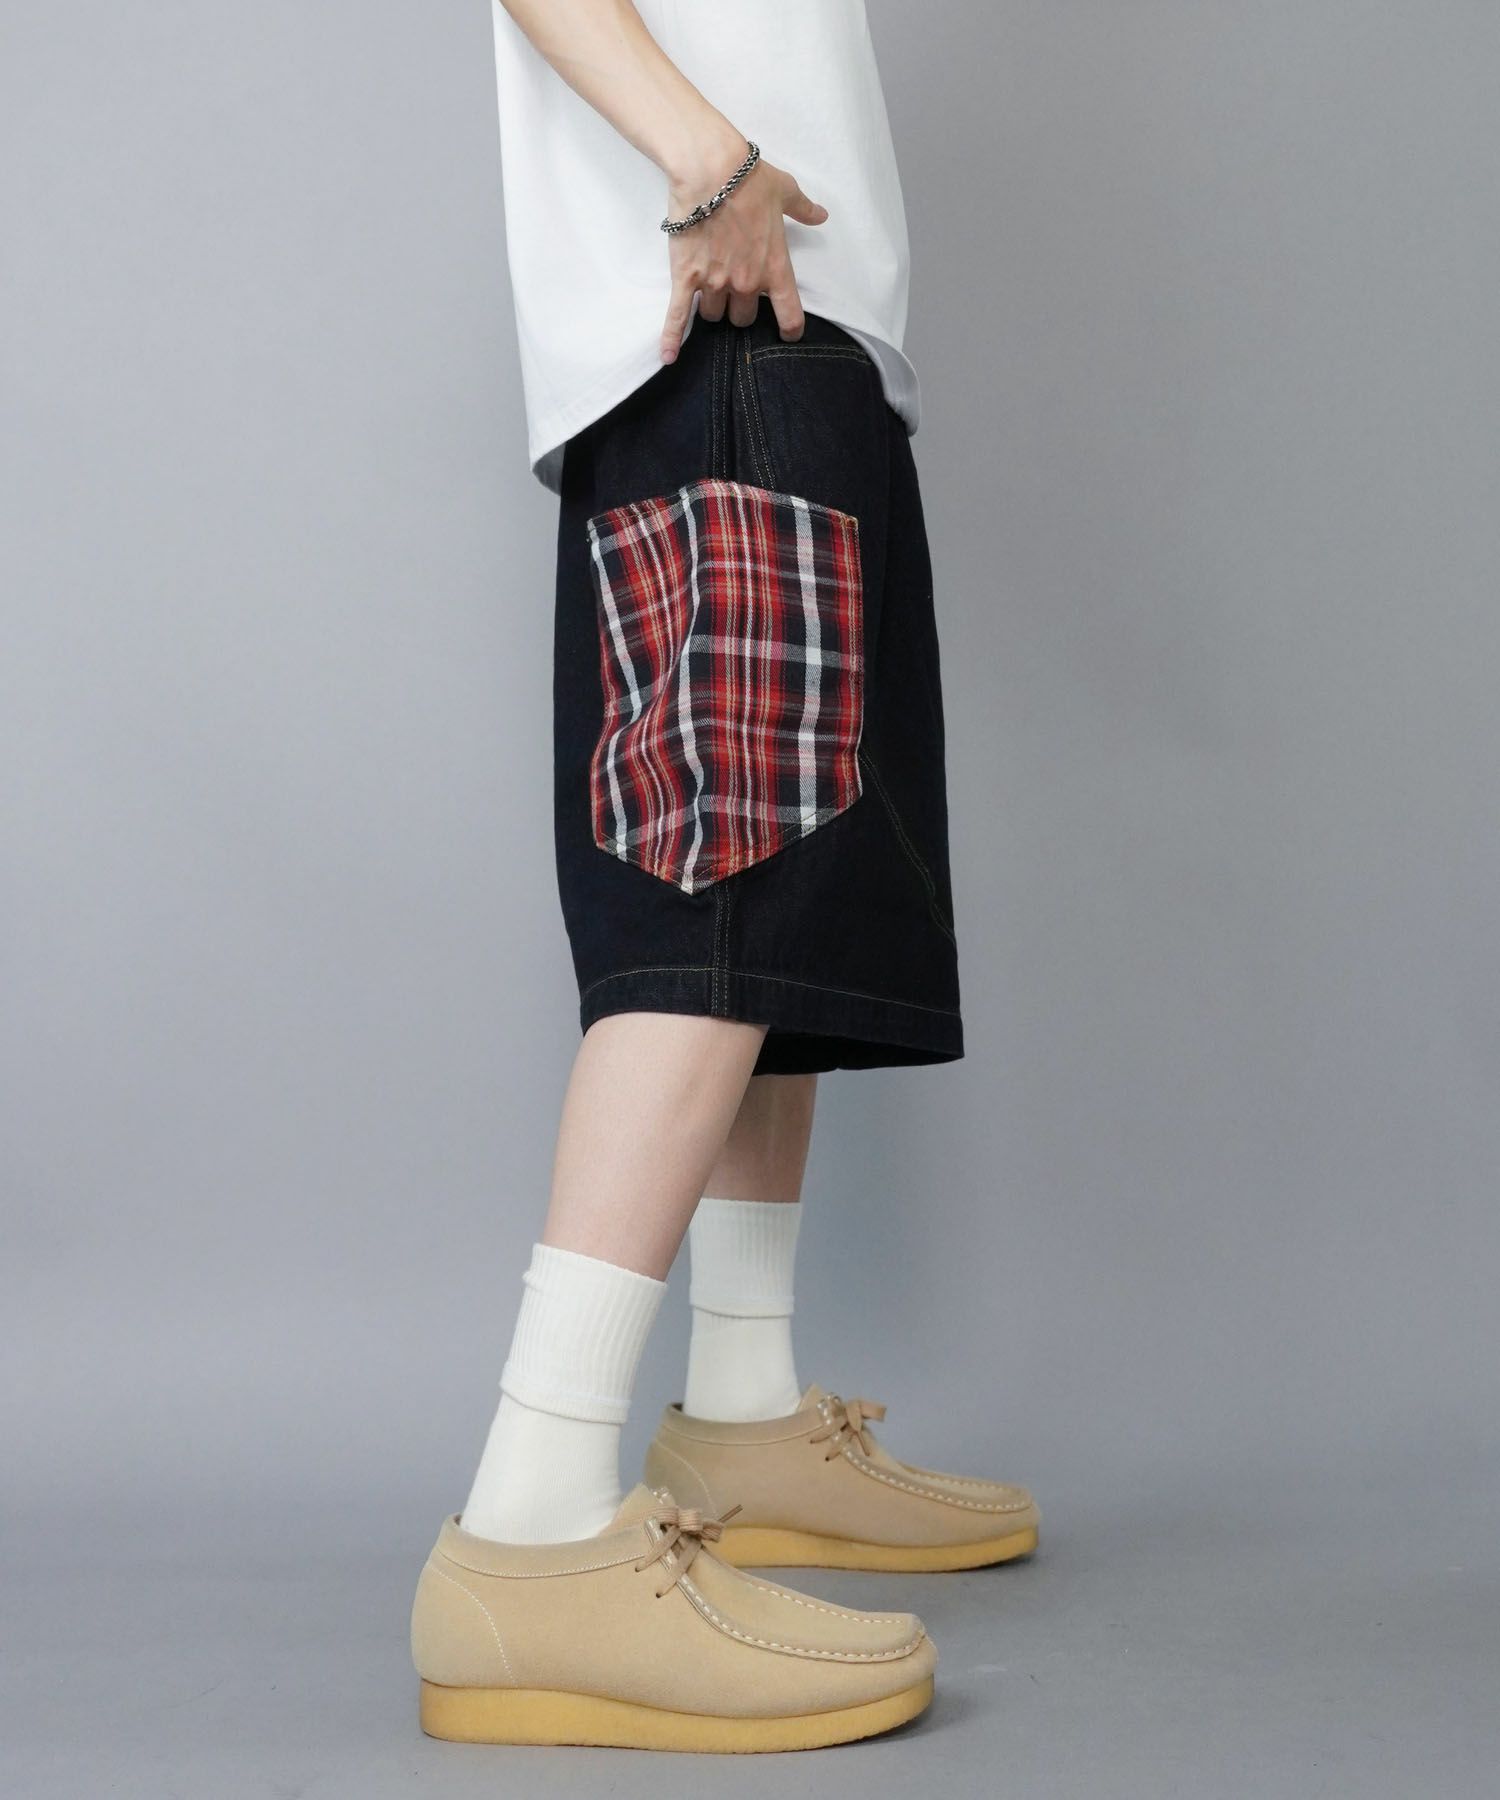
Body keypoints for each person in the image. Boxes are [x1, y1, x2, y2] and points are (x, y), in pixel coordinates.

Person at [409, 0, 1038, 1753]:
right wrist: (712, 168)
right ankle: (533, 1522)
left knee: (784, 913)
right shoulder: (719, 231)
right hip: (722, 309)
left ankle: (743, 1415)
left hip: (788, 330)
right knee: (715, 898)